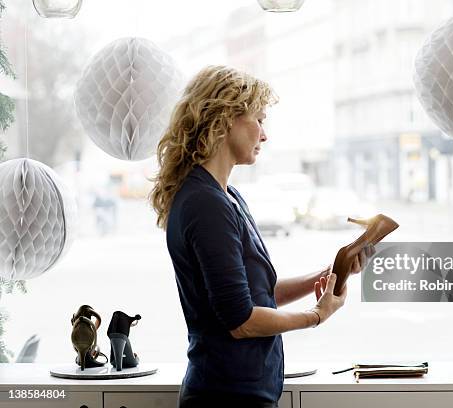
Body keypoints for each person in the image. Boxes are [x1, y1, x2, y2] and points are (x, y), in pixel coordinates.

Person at [150, 65, 371, 408]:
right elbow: (241, 321)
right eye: (259, 119)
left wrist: (330, 272)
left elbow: (257, 296)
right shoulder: (206, 204)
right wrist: (315, 316)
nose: (264, 135)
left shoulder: (227, 197)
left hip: (242, 393)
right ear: (224, 119)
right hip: (225, 398)